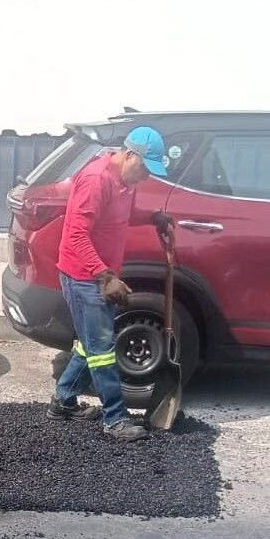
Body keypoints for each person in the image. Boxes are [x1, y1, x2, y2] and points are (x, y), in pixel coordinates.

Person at [48, 126, 171, 442]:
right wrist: (104, 275)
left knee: (89, 344)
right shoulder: (96, 180)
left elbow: (123, 215)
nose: (145, 176)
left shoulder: (126, 182)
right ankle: (115, 419)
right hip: (83, 277)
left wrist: (153, 217)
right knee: (101, 349)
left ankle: (63, 401)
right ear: (130, 155)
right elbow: (76, 235)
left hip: (98, 276)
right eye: (144, 168)